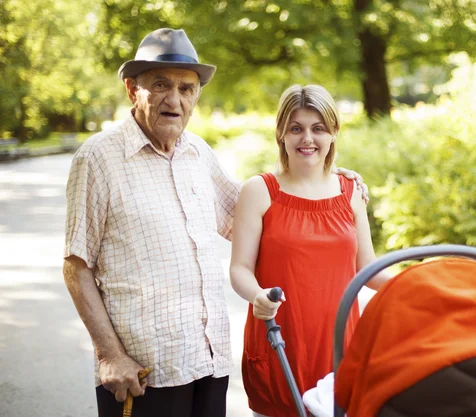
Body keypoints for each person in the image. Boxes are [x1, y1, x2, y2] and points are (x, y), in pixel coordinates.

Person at [63, 28, 368, 417]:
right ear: (131, 89)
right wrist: (109, 356)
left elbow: (269, 216)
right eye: (161, 85)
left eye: (187, 89)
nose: (175, 99)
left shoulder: (197, 154)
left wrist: (327, 177)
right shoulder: (98, 159)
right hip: (144, 368)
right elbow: (76, 264)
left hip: (208, 362)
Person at [229, 84, 391, 417]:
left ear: (333, 134)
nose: (307, 138)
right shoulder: (259, 191)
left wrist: (418, 285)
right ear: (281, 134)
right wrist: (258, 295)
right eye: (296, 128)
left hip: (339, 345)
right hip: (280, 342)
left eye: (318, 129)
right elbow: (239, 268)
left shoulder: (351, 192)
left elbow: (368, 267)